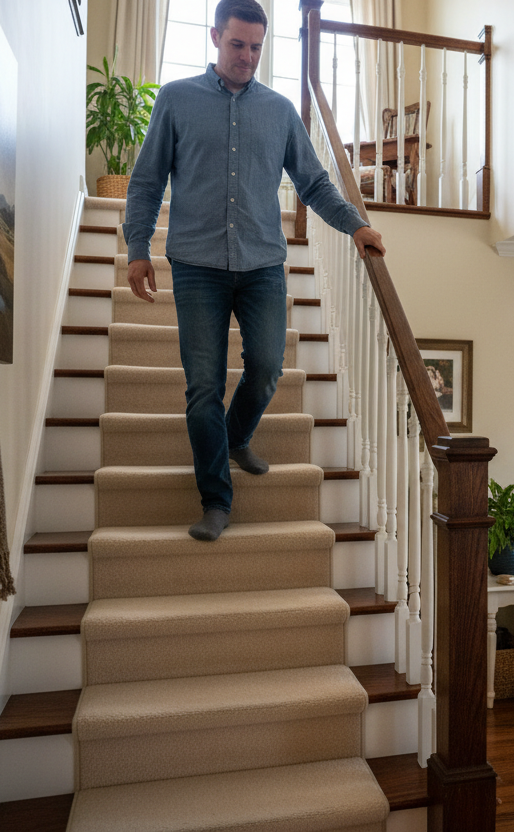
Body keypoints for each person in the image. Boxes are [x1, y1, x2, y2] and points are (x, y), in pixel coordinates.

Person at [123, 0, 385, 541]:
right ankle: (216, 499)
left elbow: (312, 183)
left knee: (266, 367)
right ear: (216, 38)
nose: (247, 56)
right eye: (237, 44)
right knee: (202, 388)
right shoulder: (175, 100)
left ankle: (237, 435)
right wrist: (137, 248)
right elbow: (147, 181)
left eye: (257, 48)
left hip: (263, 261)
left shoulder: (282, 110)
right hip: (196, 264)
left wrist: (355, 226)